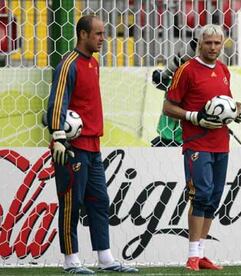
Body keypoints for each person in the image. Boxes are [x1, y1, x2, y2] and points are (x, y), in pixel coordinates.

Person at [46, 15, 138, 274]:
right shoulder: (68, 64)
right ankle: (71, 261)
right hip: (71, 146)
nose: (102, 38)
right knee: (70, 203)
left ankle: (105, 258)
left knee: (99, 201)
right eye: (97, 34)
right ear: (83, 34)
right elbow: (57, 102)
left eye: (103, 33)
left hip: (94, 145)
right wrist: (58, 137)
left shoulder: (93, 64)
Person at [163, 24, 241, 271]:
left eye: (217, 43)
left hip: (221, 143)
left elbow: (225, 103)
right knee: (200, 195)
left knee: (213, 199)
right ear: (199, 43)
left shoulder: (223, 70)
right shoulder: (186, 70)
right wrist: (194, 117)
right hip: (196, 142)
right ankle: (191, 255)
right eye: (208, 43)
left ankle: (201, 254)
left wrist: (237, 110)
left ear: (223, 44)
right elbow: (168, 107)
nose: (213, 47)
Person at [151, 35, 198, 147]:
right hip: (165, 140)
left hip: (186, 142)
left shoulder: (199, 81)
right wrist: (163, 76)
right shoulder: (177, 76)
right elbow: (159, 83)